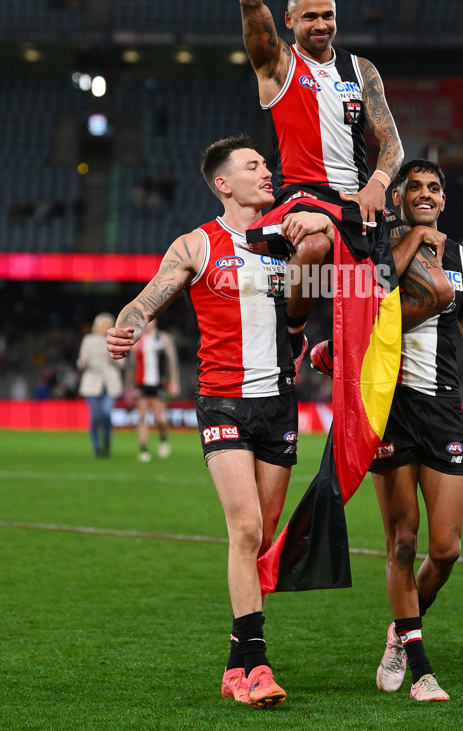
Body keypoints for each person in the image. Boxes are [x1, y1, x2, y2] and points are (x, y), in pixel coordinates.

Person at [106, 135, 334, 709]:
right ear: (223, 183)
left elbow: (338, 264)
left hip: (279, 402)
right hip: (223, 400)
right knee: (246, 528)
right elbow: (147, 299)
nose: (267, 172)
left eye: (266, 164)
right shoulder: (196, 245)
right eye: (253, 166)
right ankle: (257, 664)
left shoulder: (289, 239)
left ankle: (236, 664)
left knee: (262, 541)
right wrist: (125, 326)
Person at [239, 0, 404, 362]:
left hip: (358, 202)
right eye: (309, 16)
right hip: (302, 196)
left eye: (328, 15)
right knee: (311, 248)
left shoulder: (361, 69)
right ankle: (293, 334)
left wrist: (377, 181)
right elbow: (250, 1)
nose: (321, 24)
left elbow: (392, 144)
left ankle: (334, 348)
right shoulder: (277, 63)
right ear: (289, 21)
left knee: (414, 286)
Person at [368, 159, 463, 702]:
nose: (425, 194)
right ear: (398, 197)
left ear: (445, 199)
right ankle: (420, 666)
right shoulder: (376, 252)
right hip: (390, 407)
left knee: (445, 549)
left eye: (434, 188)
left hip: (444, 408)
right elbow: (374, 293)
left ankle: (401, 628)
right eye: (414, 188)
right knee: (402, 541)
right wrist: (416, 237)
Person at [132, 319, 180, 462]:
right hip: (141, 383)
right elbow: (131, 364)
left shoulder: (163, 338)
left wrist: (174, 381)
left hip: (158, 383)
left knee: (159, 417)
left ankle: (163, 438)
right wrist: (129, 386)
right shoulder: (138, 339)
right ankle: (144, 449)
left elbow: (172, 361)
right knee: (142, 416)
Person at [77, 312, 124, 457]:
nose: (105, 328)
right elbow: (80, 362)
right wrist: (83, 363)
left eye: (108, 325)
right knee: (95, 417)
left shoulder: (116, 340)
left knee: (107, 414)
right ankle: (97, 447)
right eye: (103, 325)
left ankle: (107, 441)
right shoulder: (88, 340)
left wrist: (111, 349)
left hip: (109, 383)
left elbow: (122, 363)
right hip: (92, 382)